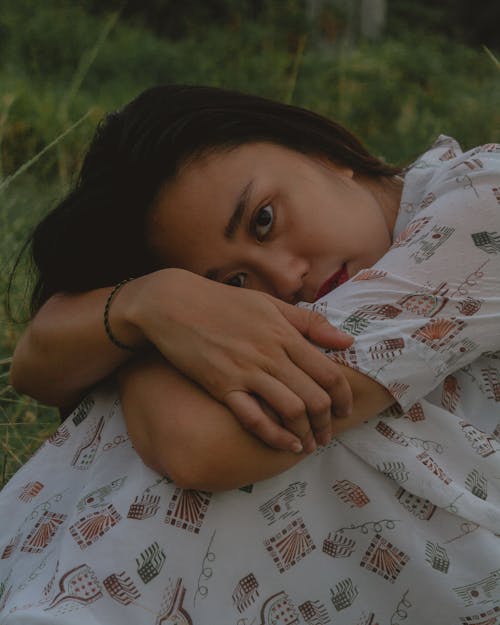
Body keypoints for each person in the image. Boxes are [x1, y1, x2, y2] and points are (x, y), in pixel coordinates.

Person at [1, 85, 499, 624]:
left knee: (262, 398)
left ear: (320, 152)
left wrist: (150, 336)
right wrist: (147, 303)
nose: (286, 278)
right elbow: (36, 366)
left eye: (263, 219)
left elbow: (200, 447)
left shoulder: (483, 201)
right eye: (232, 284)